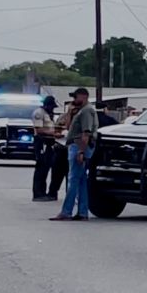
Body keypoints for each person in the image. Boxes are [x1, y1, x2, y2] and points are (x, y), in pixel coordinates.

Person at [51, 88, 98, 221]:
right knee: (81, 181)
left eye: (75, 97)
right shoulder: (81, 111)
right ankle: (82, 212)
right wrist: (70, 114)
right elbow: (69, 127)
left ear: (83, 96)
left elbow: (86, 132)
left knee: (73, 180)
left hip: (79, 146)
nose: (74, 100)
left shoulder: (87, 111)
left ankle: (66, 211)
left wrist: (81, 151)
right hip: (77, 145)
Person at [31, 96, 61, 201]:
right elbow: (39, 130)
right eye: (51, 107)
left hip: (49, 143)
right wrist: (54, 133)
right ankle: (38, 193)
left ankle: (43, 192)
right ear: (46, 105)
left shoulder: (48, 114)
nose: (52, 109)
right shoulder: (39, 113)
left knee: (46, 167)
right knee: (41, 167)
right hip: (41, 141)